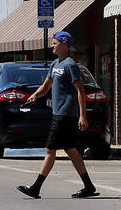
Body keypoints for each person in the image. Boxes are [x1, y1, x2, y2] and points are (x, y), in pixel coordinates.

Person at [17, 32, 99, 199]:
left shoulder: (70, 65)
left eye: (55, 43)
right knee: (70, 149)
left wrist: (82, 116)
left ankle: (36, 188)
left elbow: (80, 90)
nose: (52, 46)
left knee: (50, 150)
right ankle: (89, 186)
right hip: (58, 112)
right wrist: (34, 95)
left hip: (65, 113)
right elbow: (46, 86)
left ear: (64, 44)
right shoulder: (55, 64)